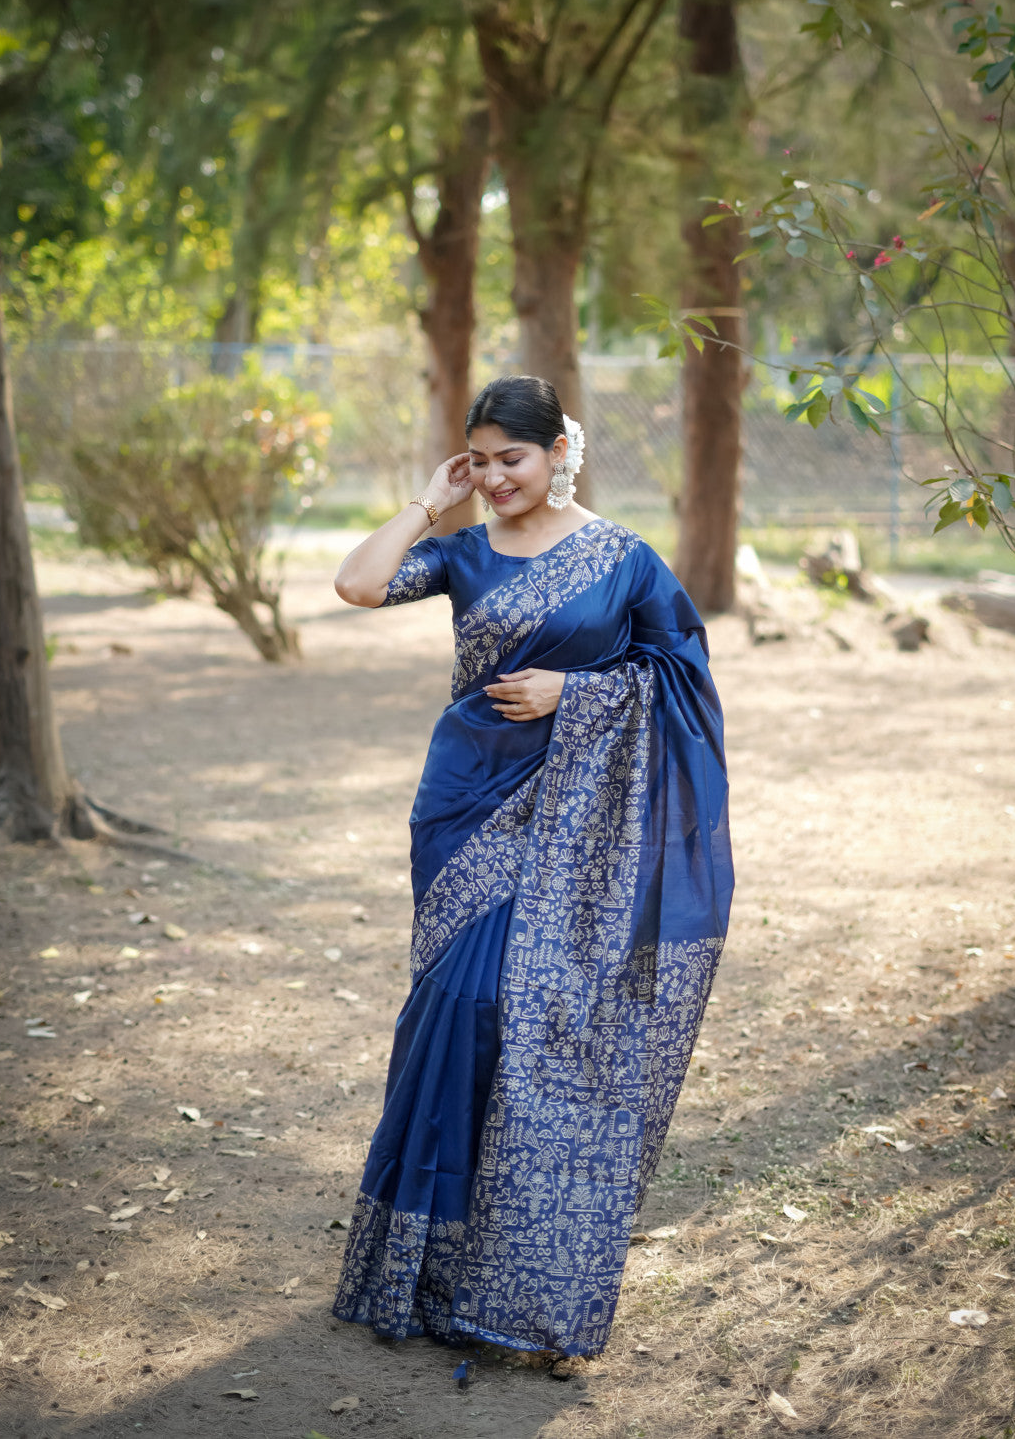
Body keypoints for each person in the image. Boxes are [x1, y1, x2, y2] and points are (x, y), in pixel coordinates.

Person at [330, 375, 733, 1360]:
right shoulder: (463, 553)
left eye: (514, 457)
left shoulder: (625, 562)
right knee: (453, 1014)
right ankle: (415, 1269)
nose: (498, 476)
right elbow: (359, 583)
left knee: (535, 1026)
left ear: (560, 452)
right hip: (466, 808)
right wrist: (431, 502)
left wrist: (577, 692)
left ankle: (502, 1275)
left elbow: (685, 681)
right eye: (482, 459)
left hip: (576, 824)